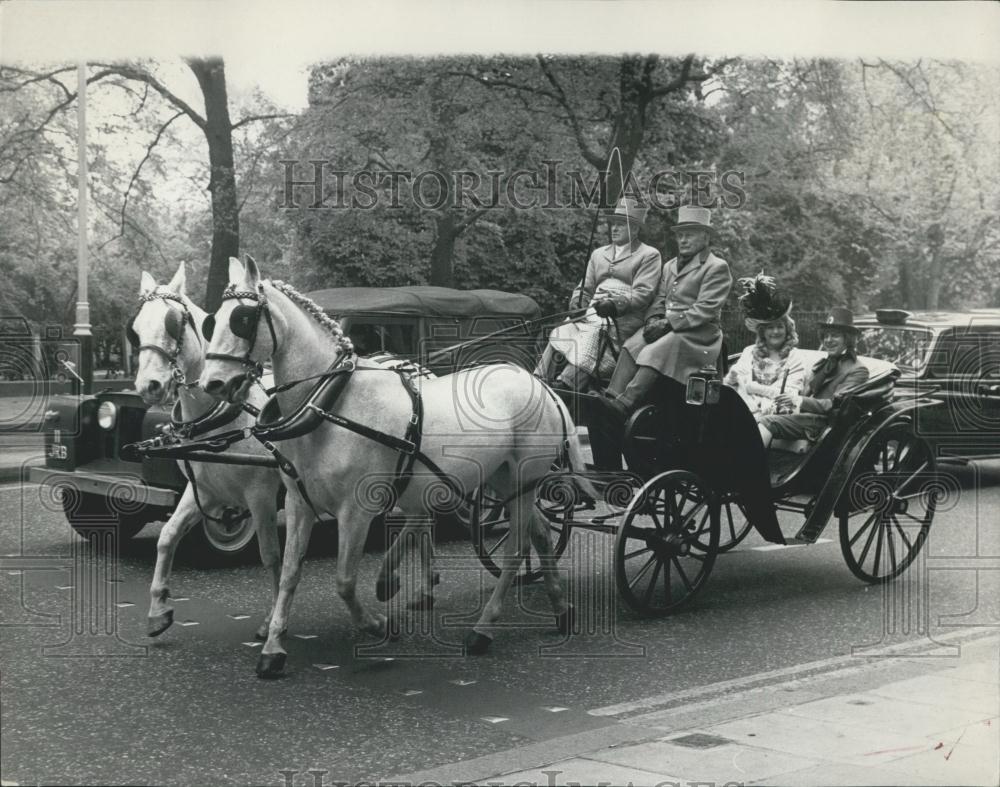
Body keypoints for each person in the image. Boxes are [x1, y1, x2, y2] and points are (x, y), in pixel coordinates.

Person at [586, 205, 732, 470]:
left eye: (691, 234)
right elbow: (659, 299)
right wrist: (653, 319)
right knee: (634, 344)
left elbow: (705, 309)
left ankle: (627, 401)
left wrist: (668, 323)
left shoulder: (716, 267)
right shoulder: (670, 266)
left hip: (699, 336)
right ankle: (613, 396)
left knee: (660, 346)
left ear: (706, 238)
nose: (684, 240)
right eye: (680, 235)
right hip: (669, 327)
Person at [535, 197, 662, 392]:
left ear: (635, 229)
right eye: (614, 224)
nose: (615, 229)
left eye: (622, 225)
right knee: (565, 327)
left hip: (622, 319)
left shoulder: (649, 255)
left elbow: (643, 293)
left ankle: (567, 384)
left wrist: (615, 304)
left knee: (597, 330)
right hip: (593, 310)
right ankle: (540, 377)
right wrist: (577, 303)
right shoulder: (598, 254)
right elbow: (584, 287)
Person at [757, 307, 870, 448]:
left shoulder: (858, 370)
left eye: (834, 335)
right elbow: (807, 393)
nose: (828, 340)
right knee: (756, 417)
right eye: (825, 336)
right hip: (806, 417)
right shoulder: (823, 364)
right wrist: (787, 400)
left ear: (847, 339)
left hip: (825, 424)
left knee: (768, 422)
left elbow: (836, 406)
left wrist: (798, 400)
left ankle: (752, 467)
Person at [723, 273, 807, 443]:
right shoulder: (749, 352)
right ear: (762, 331)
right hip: (743, 413)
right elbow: (732, 387)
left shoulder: (795, 357)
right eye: (770, 327)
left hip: (774, 418)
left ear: (787, 329)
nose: (775, 332)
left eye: (780, 327)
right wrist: (732, 379)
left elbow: (788, 396)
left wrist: (754, 387)